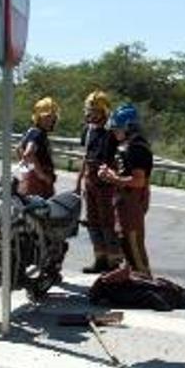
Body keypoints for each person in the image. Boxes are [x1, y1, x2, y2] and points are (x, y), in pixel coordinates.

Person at [98, 104, 153, 277]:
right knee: (125, 240)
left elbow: (138, 180)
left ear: (129, 127)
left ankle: (143, 281)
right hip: (124, 200)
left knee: (132, 243)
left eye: (118, 128)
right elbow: (125, 173)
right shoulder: (127, 145)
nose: (115, 132)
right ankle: (133, 276)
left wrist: (113, 179)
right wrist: (110, 173)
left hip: (131, 201)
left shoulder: (136, 147)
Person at [78, 90, 121, 274]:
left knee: (108, 222)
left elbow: (118, 159)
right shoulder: (87, 131)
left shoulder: (112, 132)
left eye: (94, 110)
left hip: (106, 183)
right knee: (92, 222)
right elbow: (86, 157)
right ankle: (100, 258)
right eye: (89, 110)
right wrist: (79, 181)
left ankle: (114, 262)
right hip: (90, 180)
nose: (91, 114)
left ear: (103, 111)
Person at [16, 97, 58, 198]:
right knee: (42, 210)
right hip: (39, 182)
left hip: (32, 178)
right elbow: (28, 153)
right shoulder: (38, 133)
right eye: (47, 117)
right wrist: (41, 175)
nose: (51, 120)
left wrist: (28, 170)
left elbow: (19, 149)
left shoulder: (31, 131)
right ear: (39, 117)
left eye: (52, 117)